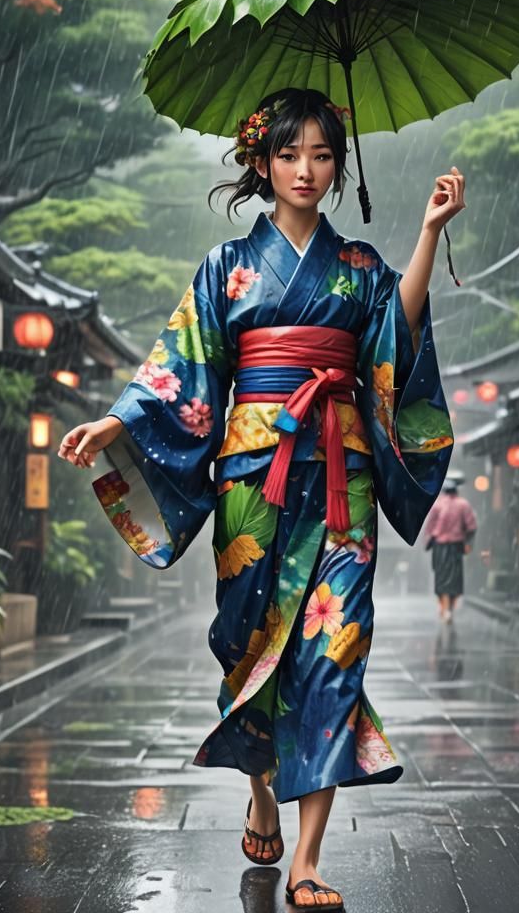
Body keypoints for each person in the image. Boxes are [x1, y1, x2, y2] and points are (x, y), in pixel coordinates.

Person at [58, 87, 463, 911]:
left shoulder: (357, 269)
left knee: (332, 651)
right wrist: (113, 421)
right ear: (261, 163)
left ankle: (309, 858)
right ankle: (261, 789)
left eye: (321, 155)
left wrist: (427, 233)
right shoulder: (224, 267)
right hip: (253, 476)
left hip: (339, 476)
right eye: (289, 154)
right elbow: (180, 369)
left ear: (339, 167)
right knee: (248, 645)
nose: (306, 170)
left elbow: (395, 341)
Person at [423, 477, 478, 623]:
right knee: (454, 579)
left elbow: (429, 527)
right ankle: (449, 609)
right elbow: (471, 527)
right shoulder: (463, 505)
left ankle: (445, 607)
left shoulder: (437, 505)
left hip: (439, 546)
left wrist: (428, 541)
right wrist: (468, 542)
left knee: (441, 578)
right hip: (456, 546)